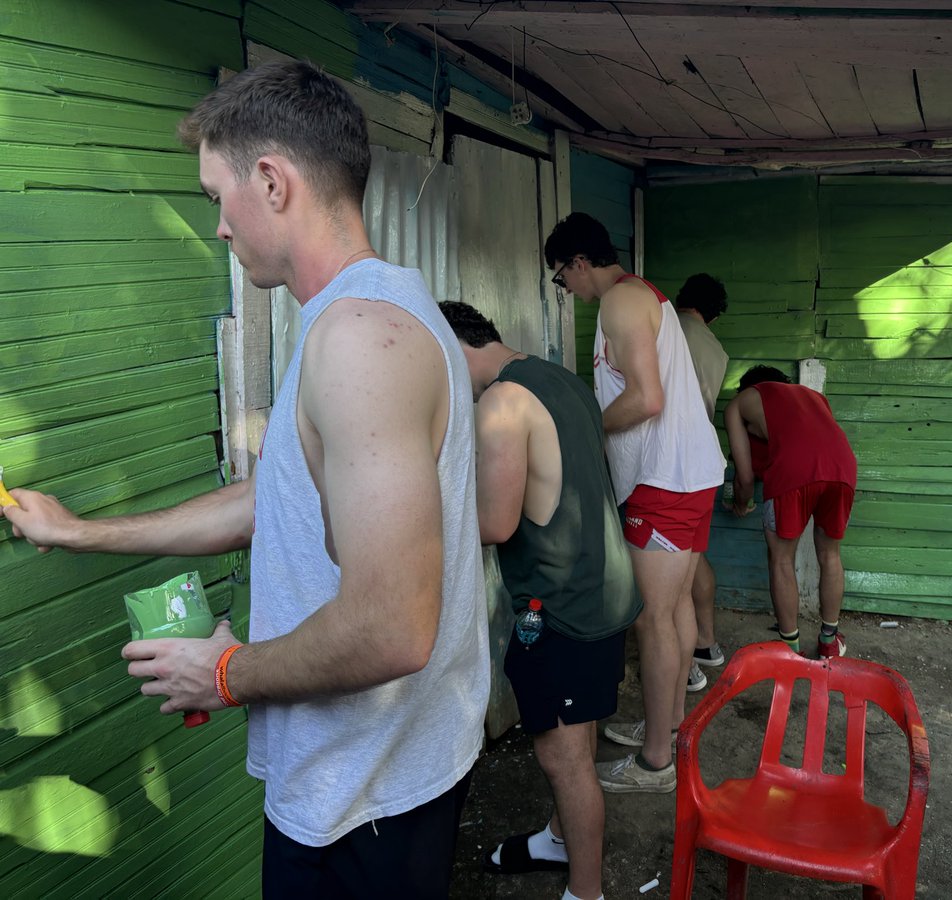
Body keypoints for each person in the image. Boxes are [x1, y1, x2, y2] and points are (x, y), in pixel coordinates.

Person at [2, 61, 489, 898]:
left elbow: (392, 628)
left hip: (361, 805)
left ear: (271, 182)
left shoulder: (359, 342)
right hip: (376, 785)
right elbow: (275, 500)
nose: (219, 227)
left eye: (215, 196)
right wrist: (79, 530)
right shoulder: (377, 315)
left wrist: (222, 674)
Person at [439, 302, 640, 900]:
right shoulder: (558, 379)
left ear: (453, 347)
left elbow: (496, 522)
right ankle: (558, 837)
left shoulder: (501, 402)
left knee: (566, 761)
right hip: (603, 588)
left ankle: (586, 890)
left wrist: (406, 516)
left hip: (562, 607)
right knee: (574, 738)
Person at [544, 213, 725, 794]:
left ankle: (655, 764)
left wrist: (586, 430)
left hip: (664, 481)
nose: (565, 290)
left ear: (577, 262)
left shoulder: (620, 302)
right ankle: (667, 728)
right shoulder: (640, 296)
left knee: (652, 619)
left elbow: (647, 399)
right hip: (684, 476)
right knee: (672, 613)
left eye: (559, 277)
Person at [723, 366, 857, 657]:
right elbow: (814, 441)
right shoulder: (813, 396)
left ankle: (789, 650)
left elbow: (745, 478)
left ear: (748, 387)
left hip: (792, 473)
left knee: (781, 560)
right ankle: (829, 641)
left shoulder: (739, 403)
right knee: (830, 555)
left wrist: (741, 503)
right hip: (842, 467)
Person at [673, 273, 730, 687]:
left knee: (669, 580)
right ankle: (705, 645)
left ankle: (683, 667)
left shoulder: (667, 328)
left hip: (669, 463)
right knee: (693, 558)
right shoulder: (716, 347)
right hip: (704, 462)